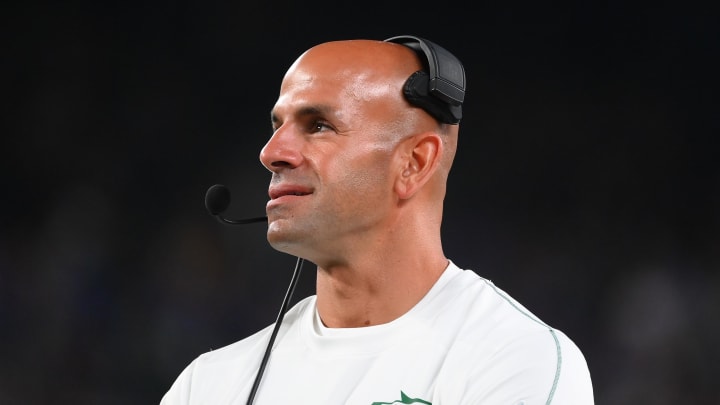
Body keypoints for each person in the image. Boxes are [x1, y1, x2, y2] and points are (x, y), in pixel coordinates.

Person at [161, 35, 594, 404]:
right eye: (277, 125)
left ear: (413, 163)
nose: (271, 152)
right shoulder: (209, 386)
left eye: (318, 126)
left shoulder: (516, 359)